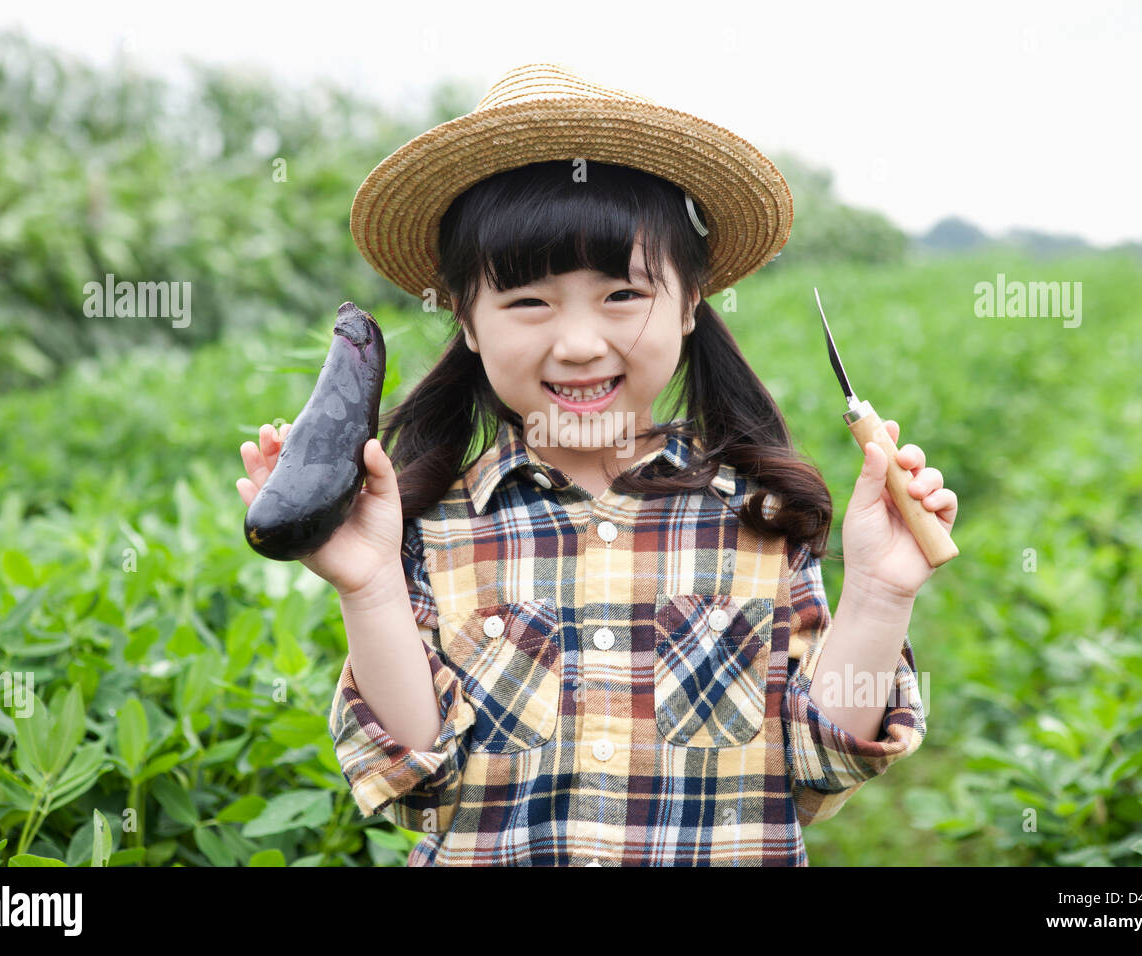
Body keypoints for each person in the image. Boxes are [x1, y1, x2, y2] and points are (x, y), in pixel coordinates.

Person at [236, 63, 958, 866]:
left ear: (690, 304)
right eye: (528, 302)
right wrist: (367, 587)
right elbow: (414, 784)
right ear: (467, 323)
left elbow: (820, 772)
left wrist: (881, 593)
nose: (578, 343)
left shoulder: (759, 519)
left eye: (622, 295)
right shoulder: (429, 531)